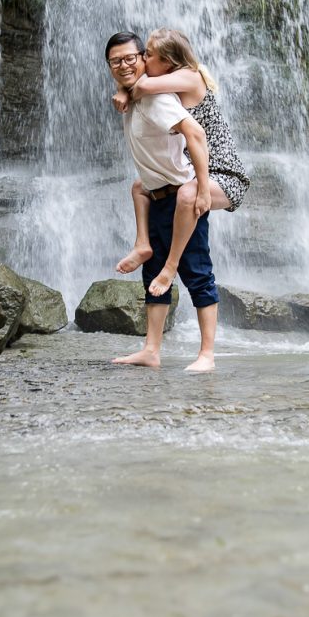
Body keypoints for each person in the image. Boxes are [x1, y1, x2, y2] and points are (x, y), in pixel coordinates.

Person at [105, 31, 219, 372]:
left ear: (144, 58)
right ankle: (151, 350)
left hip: (180, 193)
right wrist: (125, 90)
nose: (124, 65)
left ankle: (207, 355)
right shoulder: (135, 95)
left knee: (196, 272)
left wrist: (200, 188)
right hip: (156, 194)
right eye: (115, 61)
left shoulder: (157, 98)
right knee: (152, 271)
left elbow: (195, 134)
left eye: (130, 58)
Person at [112, 27, 250, 297]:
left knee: (187, 194)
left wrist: (123, 90)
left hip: (225, 175)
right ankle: (143, 244)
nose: (142, 59)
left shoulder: (190, 76)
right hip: (195, 169)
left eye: (147, 55)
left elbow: (141, 85)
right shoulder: (172, 81)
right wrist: (126, 90)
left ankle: (170, 267)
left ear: (168, 62)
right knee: (141, 186)